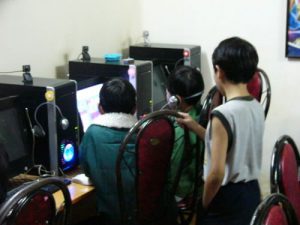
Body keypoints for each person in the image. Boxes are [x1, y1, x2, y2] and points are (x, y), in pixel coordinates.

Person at [177, 37, 264, 225]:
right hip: (251, 191)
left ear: (219, 72)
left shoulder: (222, 114)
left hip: (226, 197)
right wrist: (195, 126)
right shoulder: (255, 106)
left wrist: (205, 204)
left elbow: (215, 174)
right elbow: (229, 145)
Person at [79, 78, 137, 225]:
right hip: (146, 216)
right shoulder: (145, 131)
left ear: (100, 109)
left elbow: (86, 169)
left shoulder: (92, 134)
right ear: (134, 109)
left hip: (112, 217)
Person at [166, 65, 205, 201]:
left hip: (181, 191)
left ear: (176, 99)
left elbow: (174, 167)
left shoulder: (182, 130)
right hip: (196, 184)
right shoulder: (200, 113)